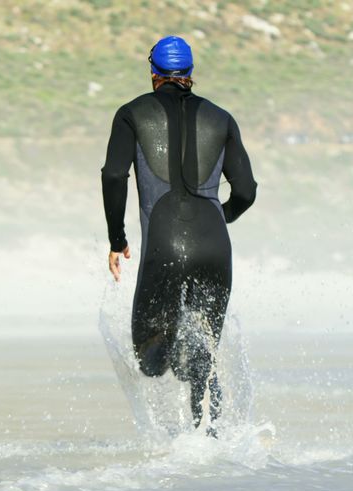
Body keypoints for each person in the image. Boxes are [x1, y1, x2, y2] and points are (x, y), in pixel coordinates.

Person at [100, 35, 257, 433]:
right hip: (215, 246)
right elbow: (246, 192)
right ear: (189, 72)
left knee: (150, 360)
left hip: (164, 244)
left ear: (154, 72)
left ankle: (181, 431)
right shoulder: (222, 118)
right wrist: (218, 218)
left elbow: (115, 175)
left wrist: (117, 240)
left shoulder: (131, 114)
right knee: (205, 353)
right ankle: (211, 441)